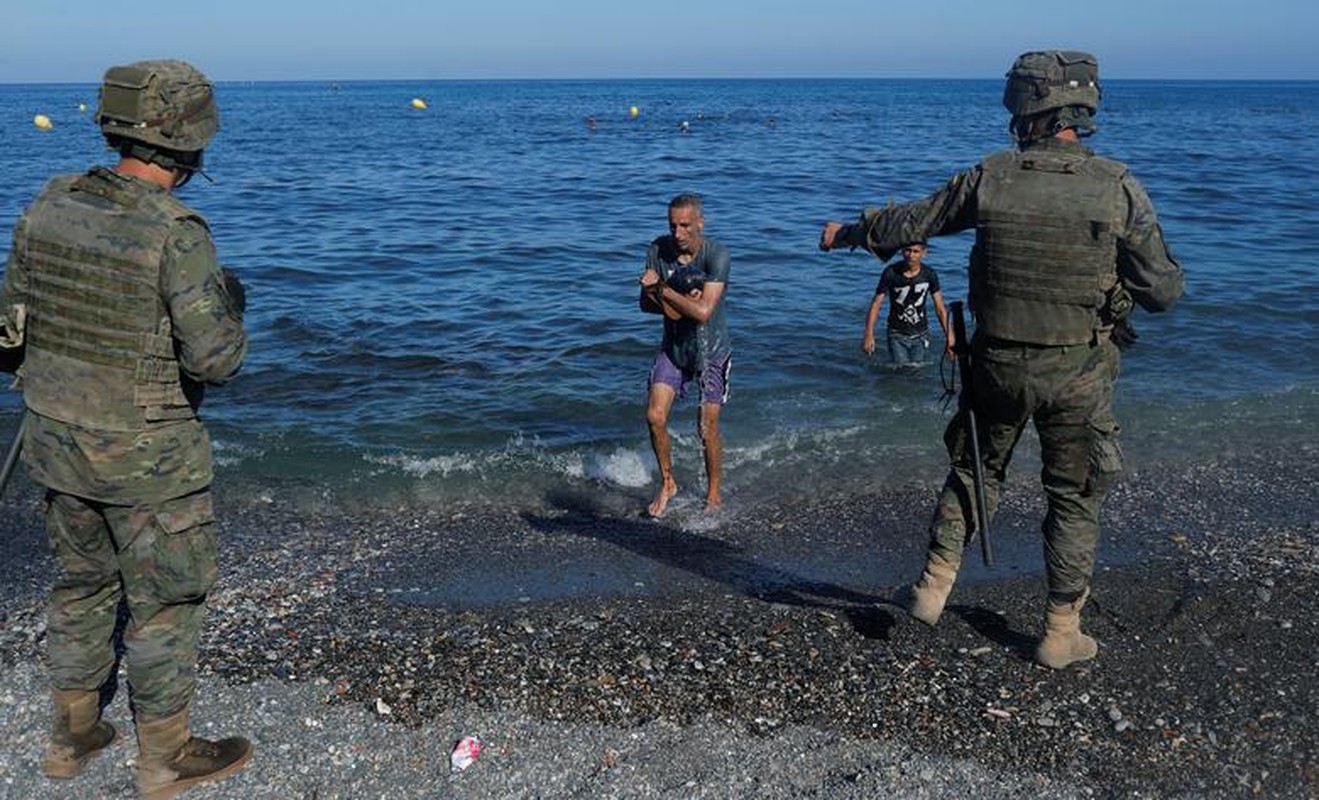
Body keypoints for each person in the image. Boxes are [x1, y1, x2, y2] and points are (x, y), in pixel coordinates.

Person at [819, 50, 1184, 669]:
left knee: (974, 471)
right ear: (1080, 110)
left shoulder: (991, 176)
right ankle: (1060, 631)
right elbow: (1163, 293)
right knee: (1073, 495)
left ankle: (932, 587)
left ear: (1028, 112)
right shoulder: (1119, 187)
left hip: (996, 365)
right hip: (1078, 373)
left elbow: (915, 220)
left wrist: (850, 232)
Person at [0, 60, 252, 797]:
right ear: (189, 144)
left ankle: (70, 739)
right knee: (166, 603)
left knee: (79, 584)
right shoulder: (177, 232)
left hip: (55, 437)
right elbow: (216, 359)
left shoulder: (49, 204)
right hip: (148, 456)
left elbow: (7, 336)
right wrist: (230, 306)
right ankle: (164, 759)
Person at [638, 194, 731, 517]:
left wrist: (663, 290)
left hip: (711, 352)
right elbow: (646, 305)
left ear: (700, 223)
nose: (677, 233)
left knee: (706, 428)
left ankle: (714, 494)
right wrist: (658, 292)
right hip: (674, 349)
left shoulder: (716, 255)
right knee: (654, 416)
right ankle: (667, 483)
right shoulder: (657, 250)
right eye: (672, 225)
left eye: (685, 226)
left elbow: (704, 312)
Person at [860, 240, 953, 368]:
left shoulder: (929, 274)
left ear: (924, 253)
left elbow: (940, 309)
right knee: (902, 369)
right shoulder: (891, 273)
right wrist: (869, 334)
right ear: (902, 251)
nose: (911, 255)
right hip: (896, 333)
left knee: (916, 369)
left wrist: (950, 337)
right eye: (908, 250)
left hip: (921, 334)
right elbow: (876, 304)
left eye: (916, 251)